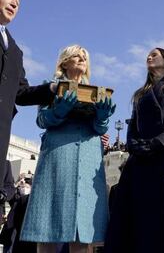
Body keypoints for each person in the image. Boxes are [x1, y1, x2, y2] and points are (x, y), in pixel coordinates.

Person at [20, 45, 115, 253]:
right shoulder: (50, 87)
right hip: (58, 158)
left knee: (83, 232)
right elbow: (42, 120)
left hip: (89, 159)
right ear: (64, 62)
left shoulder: (96, 93)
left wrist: (103, 117)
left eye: (84, 57)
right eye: (76, 56)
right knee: (47, 226)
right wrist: (59, 110)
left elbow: (100, 129)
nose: (82, 59)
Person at [104, 48, 164, 253]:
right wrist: (133, 144)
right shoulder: (141, 93)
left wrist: (159, 142)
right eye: (148, 54)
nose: (149, 56)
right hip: (140, 159)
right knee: (137, 213)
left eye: (154, 54)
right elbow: (132, 123)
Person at [0, 0, 56, 206]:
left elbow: (21, 93)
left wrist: (51, 89)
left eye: (19, 2)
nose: (15, 3)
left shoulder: (15, 51)